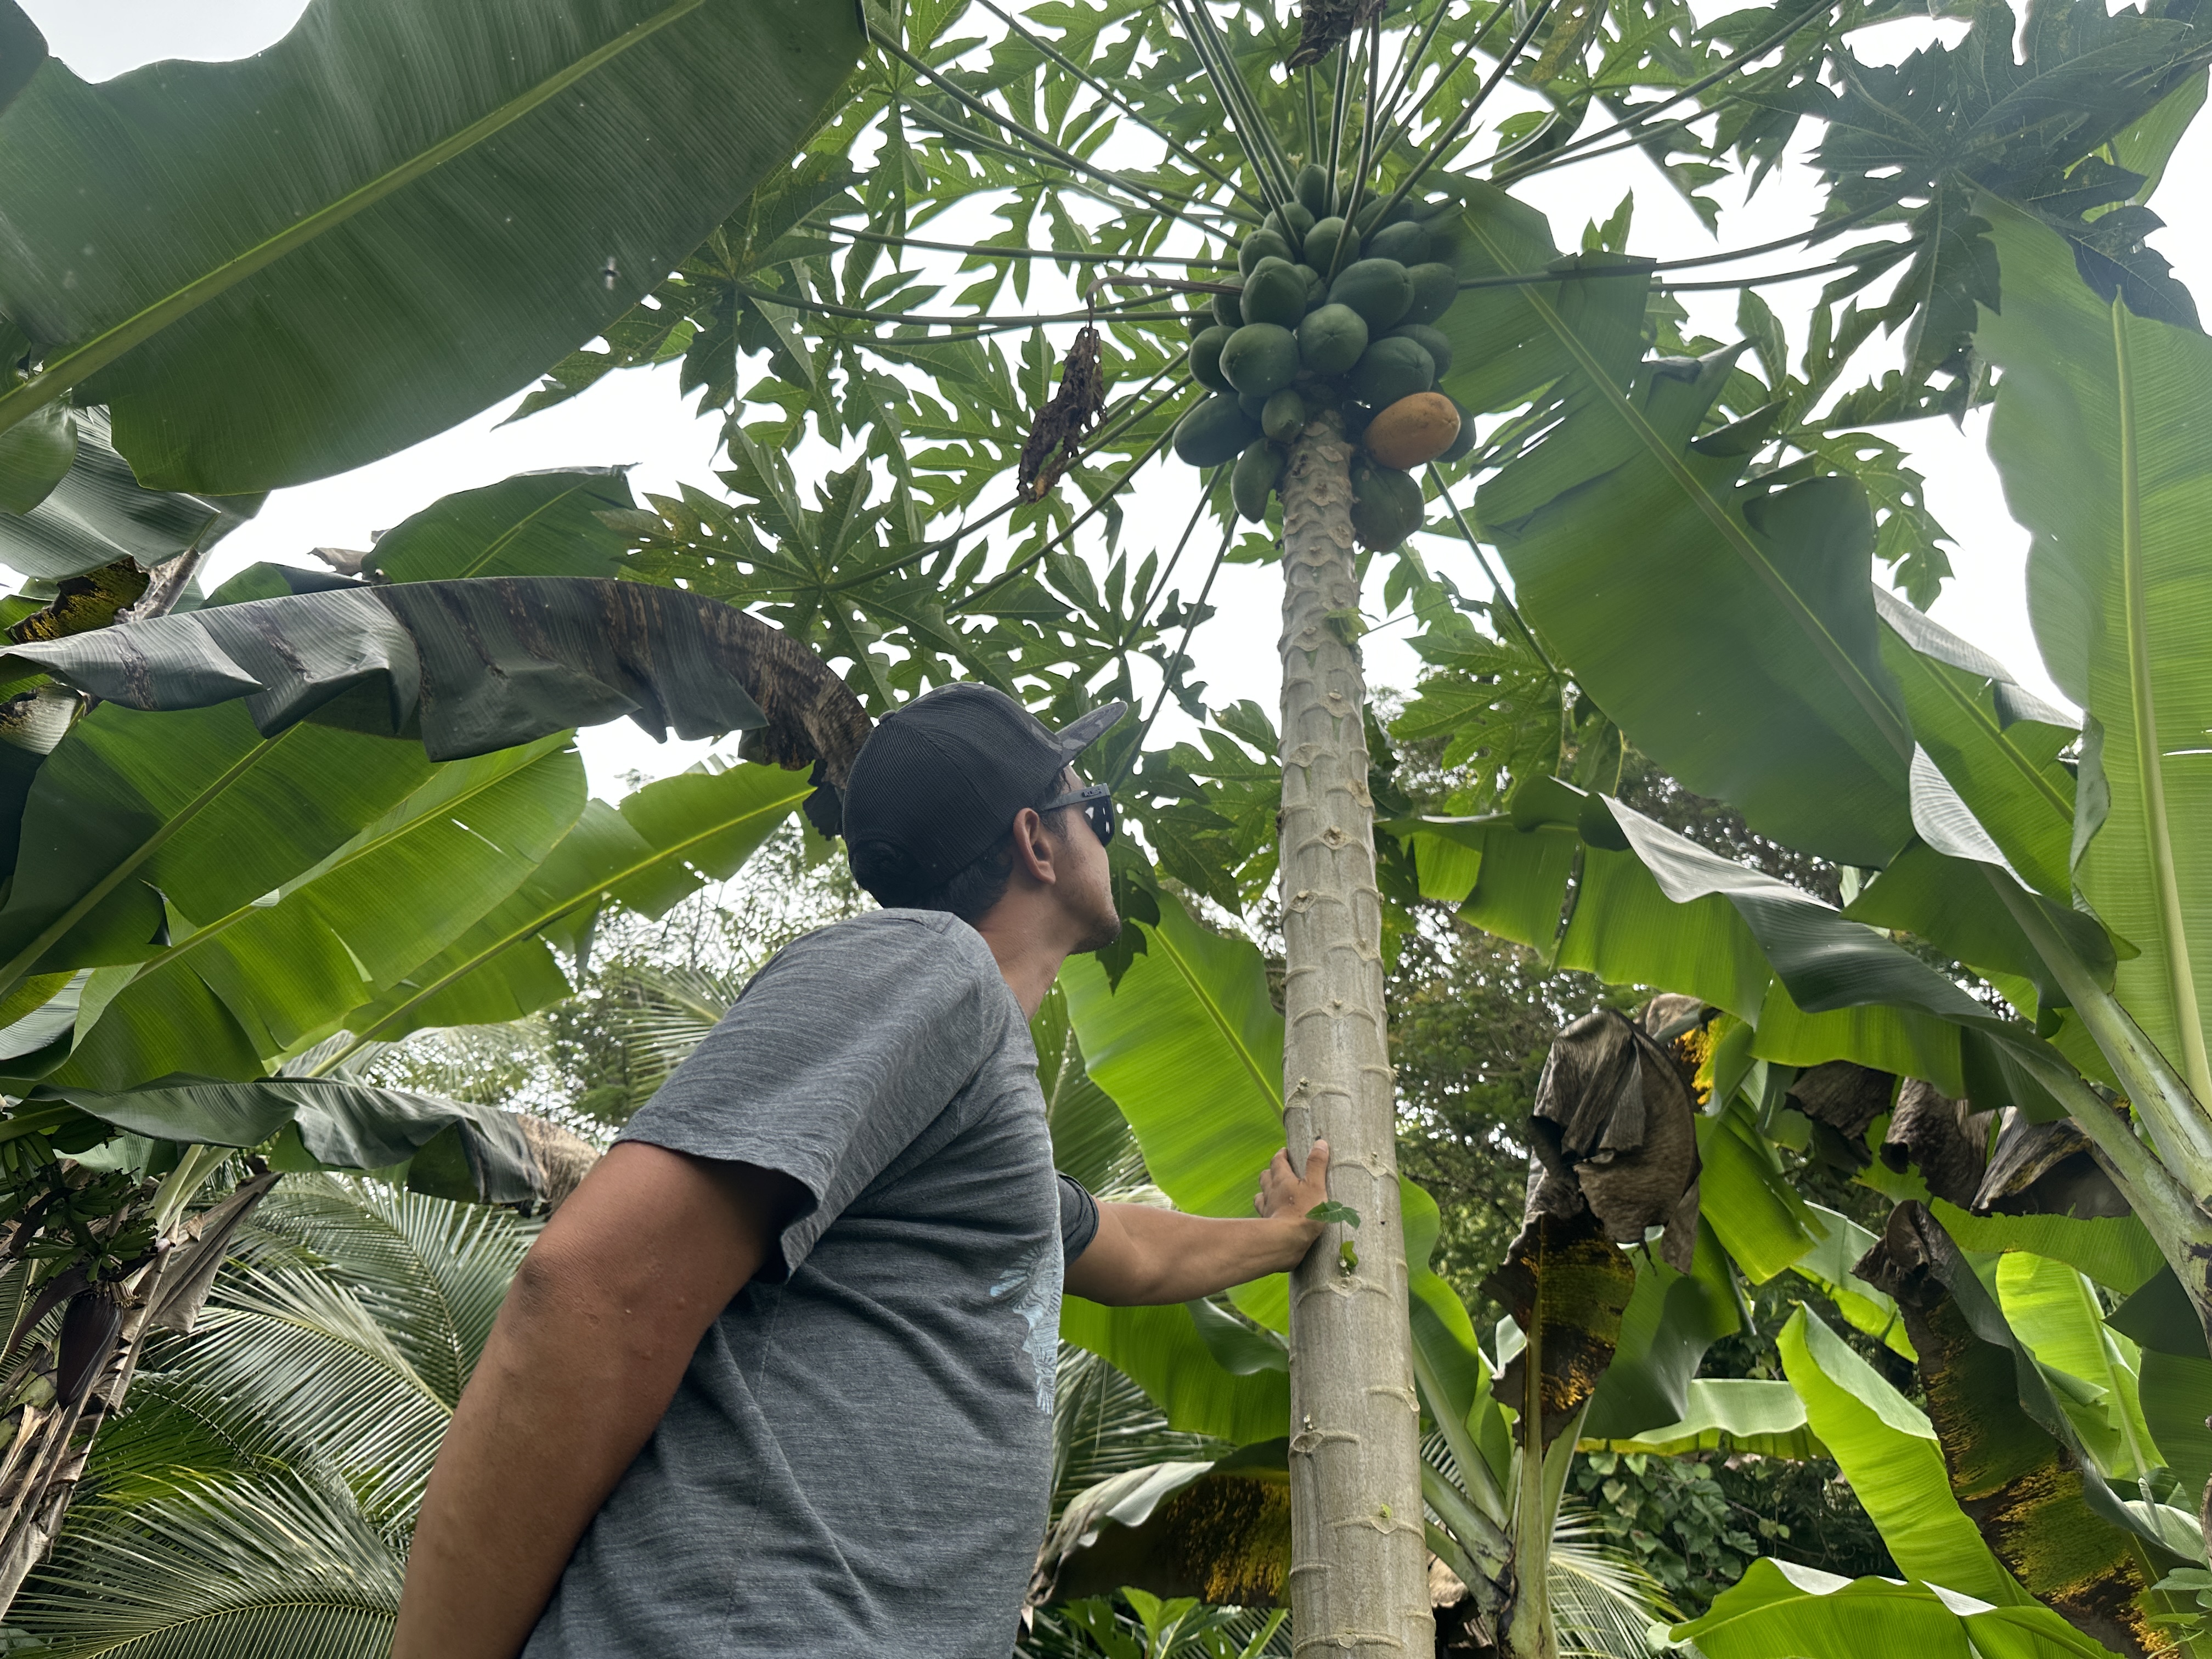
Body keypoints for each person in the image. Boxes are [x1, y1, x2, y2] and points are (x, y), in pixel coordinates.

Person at [392, 683, 1332, 1659]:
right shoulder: (931, 966)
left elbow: (1118, 1242)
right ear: (1036, 843)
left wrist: (1282, 1237)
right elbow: (591, 1283)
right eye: (1091, 806)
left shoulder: (958, 1120)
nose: (1107, 827)